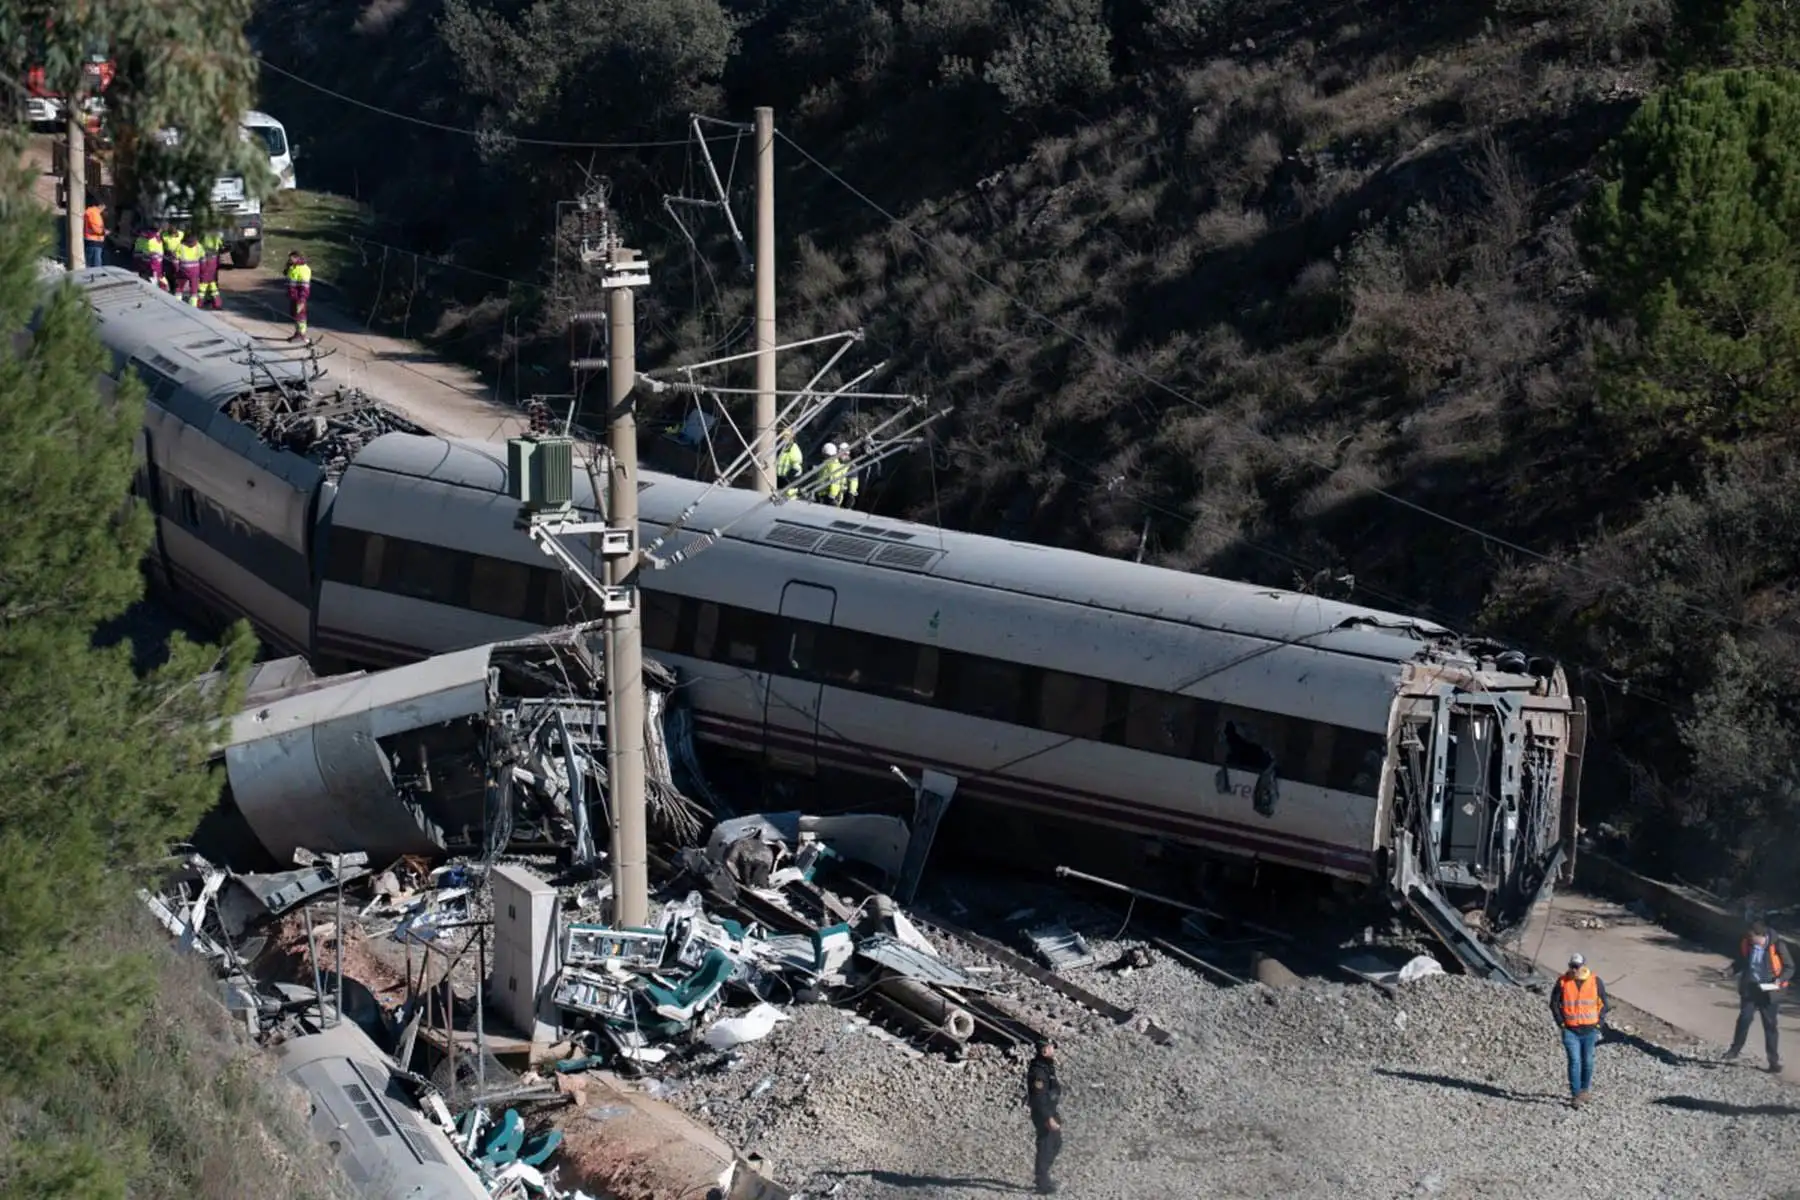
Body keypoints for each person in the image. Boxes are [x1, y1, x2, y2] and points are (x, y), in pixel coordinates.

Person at [1723, 920, 1791, 1072]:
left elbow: (1789, 967)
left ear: (1761, 936)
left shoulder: (1777, 946)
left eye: (1752, 937)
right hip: (1751, 989)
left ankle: (1773, 1062)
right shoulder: (1748, 944)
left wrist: (1780, 979)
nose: (1749, 940)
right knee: (1744, 1019)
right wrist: (1728, 971)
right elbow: (1741, 962)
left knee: (1770, 1027)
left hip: (1769, 993)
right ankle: (1734, 1050)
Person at [1552, 951, 1608, 1108]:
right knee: (1575, 1061)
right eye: (1572, 966)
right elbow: (1554, 1004)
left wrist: (1599, 1025)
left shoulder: (1595, 981)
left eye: (1577, 966)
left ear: (1583, 966)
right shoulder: (1562, 982)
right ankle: (1575, 1094)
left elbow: (1604, 1004)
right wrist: (1561, 1024)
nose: (1574, 969)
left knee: (1588, 1061)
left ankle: (1584, 1090)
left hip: (1590, 1030)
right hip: (1570, 1030)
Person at [1025, 1040, 1063, 1194]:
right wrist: (1048, 1118)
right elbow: (1039, 1097)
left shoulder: (1046, 1066)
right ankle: (1042, 1181)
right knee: (1046, 1145)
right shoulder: (1039, 1072)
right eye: (1051, 1047)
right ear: (1044, 1050)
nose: (1053, 1049)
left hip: (1050, 1110)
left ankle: (1043, 1174)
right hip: (1043, 1113)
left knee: (1056, 1143)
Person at [285, 250, 312, 341]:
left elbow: (305, 287)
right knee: (295, 315)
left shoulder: (304, 269)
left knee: (300, 316)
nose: (290, 260)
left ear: (297, 258)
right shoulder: (293, 267)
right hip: (294, 297)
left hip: (299, 298)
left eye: (291, 258)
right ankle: (297, 333)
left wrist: (302, 299)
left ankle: (301, 334)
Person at [173, 230, 202, 306]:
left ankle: (177, 304)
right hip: (195, 271)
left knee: (179, 287)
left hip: (183, 270)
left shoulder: (180, 246)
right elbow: (203, 258)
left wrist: (177, 269)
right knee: (194, 290)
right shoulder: (198, 246)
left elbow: (175, 260)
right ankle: (193, 306)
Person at [196, 231, 223, 310]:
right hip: (213, 258)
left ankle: (199, 303)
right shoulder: (216, 235)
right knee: (212, 283)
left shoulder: (204, 234)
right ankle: (217, 304)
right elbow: (221, 245)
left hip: (206, 258)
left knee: (204, 283)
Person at [776, 428, 804, 497]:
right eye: (783, 437)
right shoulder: (782, 449)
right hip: (781, 480)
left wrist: (788, 479)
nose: (784, 439)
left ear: (791, 438)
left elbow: (797, 468)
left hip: (790, 483)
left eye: (786, 437)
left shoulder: (794, 449)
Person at [82, 197, 106, 269]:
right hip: (95, 241)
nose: (104, 210)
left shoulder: (91, 212)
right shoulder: (94, 214)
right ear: (100, 206)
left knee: (90, 262)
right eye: (104, 207)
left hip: (91, 240)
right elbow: (97, 229)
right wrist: (104, 232)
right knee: (96, 263)